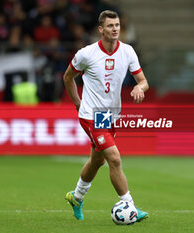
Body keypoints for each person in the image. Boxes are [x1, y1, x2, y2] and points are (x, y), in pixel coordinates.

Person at [63, 10, 149, 222]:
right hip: (91, 115)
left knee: (97, 160)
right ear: (101, 30)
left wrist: (140, 88)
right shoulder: (86, 54)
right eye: (110, 26)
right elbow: (68, 77)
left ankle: (76, 197)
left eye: (117, 25)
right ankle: (129, 205)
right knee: (114, 159)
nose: (115, 29)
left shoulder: (128, 51)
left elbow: (143, 81)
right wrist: (77, 102)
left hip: (109, 115)